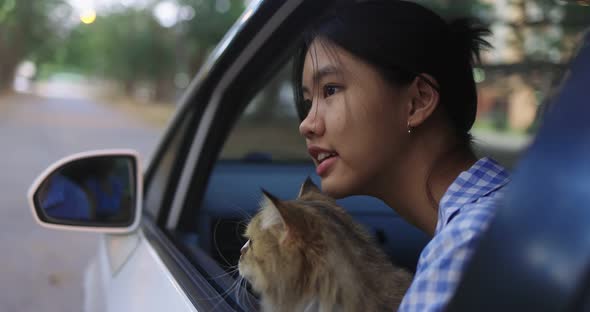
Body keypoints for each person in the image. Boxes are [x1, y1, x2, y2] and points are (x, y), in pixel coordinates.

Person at [293, 1, 510, 311]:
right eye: (307, 100)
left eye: (330, 90)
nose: (306, 124)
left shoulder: (466, 246)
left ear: (417, 101)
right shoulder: (505, 209)